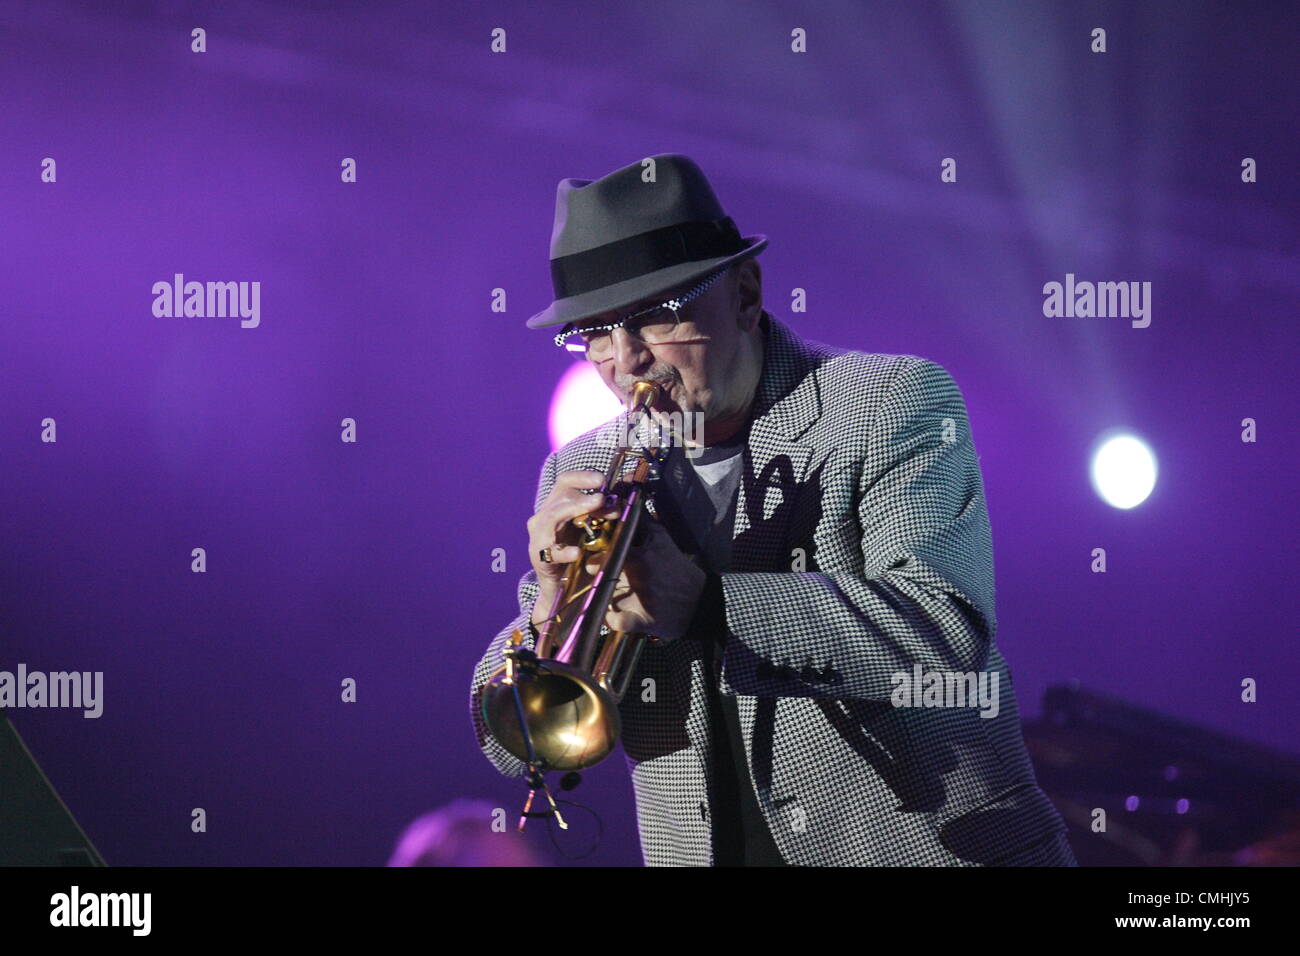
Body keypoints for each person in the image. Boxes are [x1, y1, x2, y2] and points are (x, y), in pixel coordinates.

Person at [470, 153, 1077, 867]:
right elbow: (514, 751)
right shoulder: (577, 469)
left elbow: (942, 633)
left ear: (746, 293)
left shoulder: (888, 401)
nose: (624, 360)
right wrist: (549, 610)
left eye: (656, 316)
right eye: (597, 332)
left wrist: (708, 605)